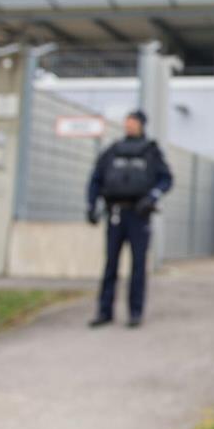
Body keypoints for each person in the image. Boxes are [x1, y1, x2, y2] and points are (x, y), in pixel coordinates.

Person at [86, 110, 172, 328]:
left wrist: (152, 196)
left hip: (139, 214)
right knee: (110, 265)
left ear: (142, 125)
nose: (129, 126)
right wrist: (91, 204)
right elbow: (95, 178)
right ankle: (104, 311)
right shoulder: (113, 151)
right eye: (127, 123)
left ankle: (135, 312)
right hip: (115, 213)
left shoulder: (151, 152)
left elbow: (166, 179)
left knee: (138, 266)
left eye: (133, 123)